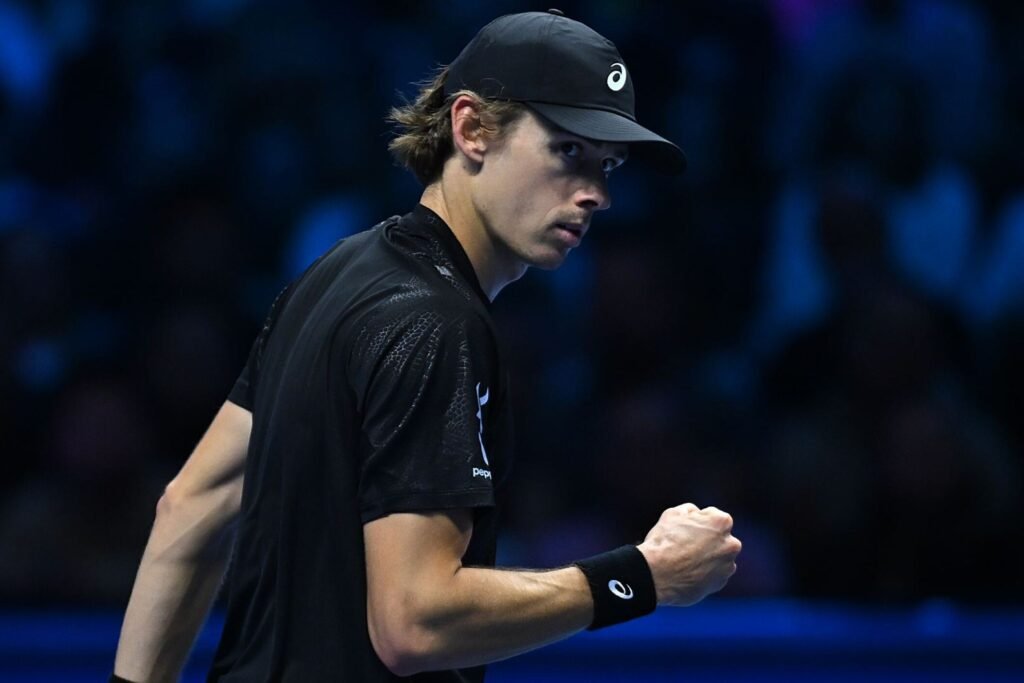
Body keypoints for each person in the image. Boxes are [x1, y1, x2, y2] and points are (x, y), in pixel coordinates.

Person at [111, 10, 742, 682]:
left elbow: (190, 507)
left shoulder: (335, 273)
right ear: (471, 128)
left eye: (607, 165)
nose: (597, 194)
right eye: (568, 152)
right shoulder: (439, 323)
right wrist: (641, 577)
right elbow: (415, 621)